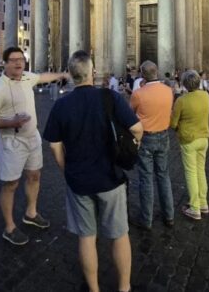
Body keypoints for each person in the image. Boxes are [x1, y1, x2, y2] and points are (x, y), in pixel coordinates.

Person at [43, 50, 143, 292]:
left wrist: (66, 168)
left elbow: (54, 146)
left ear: (70, 76)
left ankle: (94, 288)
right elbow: (138, 128)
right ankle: (124, 287)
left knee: (86, 237)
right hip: (111, 177)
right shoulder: (110, 97)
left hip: (79, 181)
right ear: (93, 73)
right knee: (120, 235)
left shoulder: (61, 105)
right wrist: (131, 148)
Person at [0, 46, 67, 245]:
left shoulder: (27, 77)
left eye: (21, 59)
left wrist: (63, 73)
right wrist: (10, 122)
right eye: (13, 60)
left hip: (32, 137)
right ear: (5, 63)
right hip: (10, 141)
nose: (18, 63)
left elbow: (42, 77)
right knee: (11, 185)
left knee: (34, 175)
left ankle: (31, 212)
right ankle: (9, 227)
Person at [129, 61, 175, 230]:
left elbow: (130, 115)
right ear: (157, 72)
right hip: (164, 136)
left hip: (146, 138)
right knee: (164, 176)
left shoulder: (138, 94)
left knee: (146, 178)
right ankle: (169, 216)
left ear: (142, 74)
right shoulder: (168, 91)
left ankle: (146, 219)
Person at [171, 70, 209, 220]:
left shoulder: (182, 100)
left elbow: (173, 123)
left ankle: (194, 207)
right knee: (201, 171)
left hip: (189, 140)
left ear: (184, 84)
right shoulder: (205, 95)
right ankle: (203, 203)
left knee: (191, 173)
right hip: (204, 138)